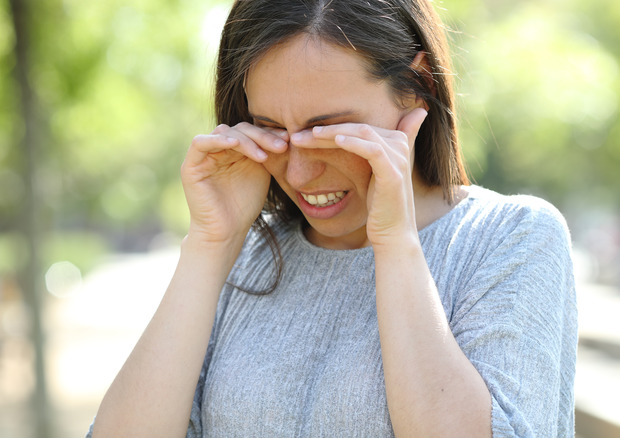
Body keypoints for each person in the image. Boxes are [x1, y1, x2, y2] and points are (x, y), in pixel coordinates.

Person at [88, 0, 578, 436]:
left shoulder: (513, 239)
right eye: (272, 130)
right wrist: (210, 244)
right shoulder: (243, 258)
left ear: (417, 86)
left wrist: (395, 243)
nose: (300, 172)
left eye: (330, 130)